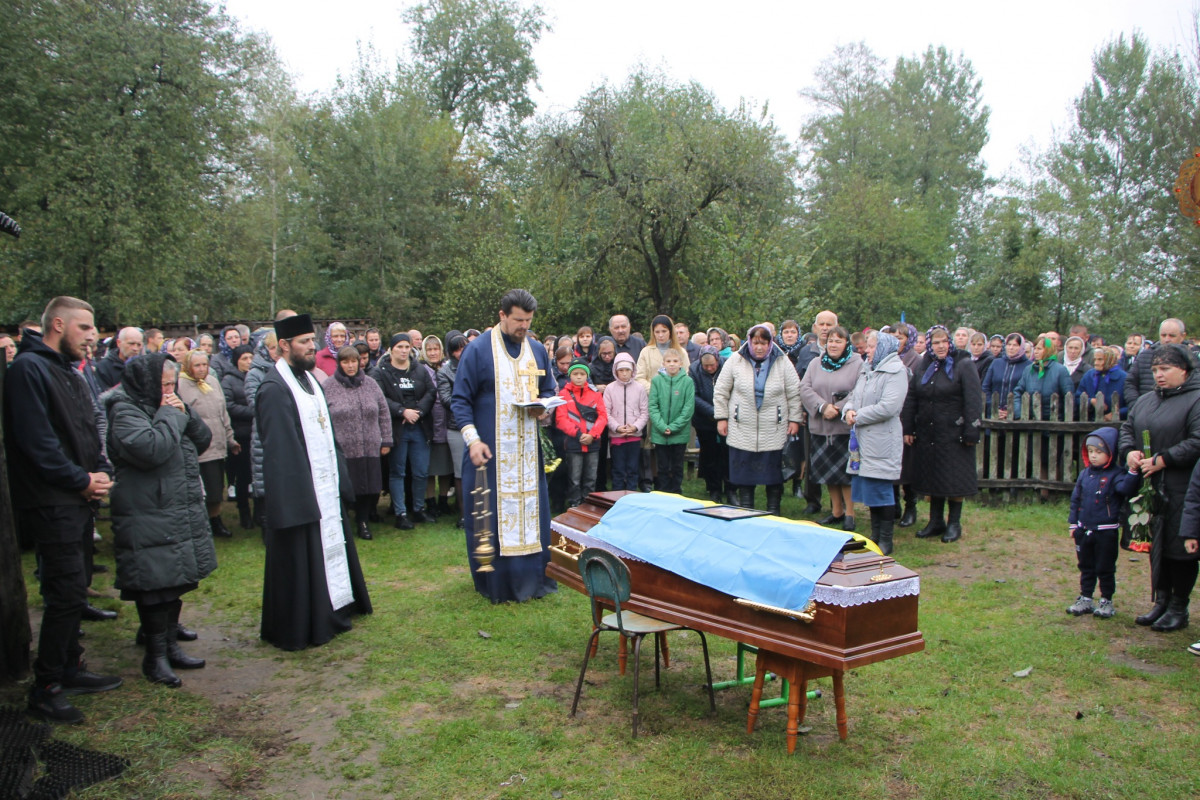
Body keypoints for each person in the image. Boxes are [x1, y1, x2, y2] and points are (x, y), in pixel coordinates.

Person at [4, 297, 122, 723]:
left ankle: (71, 666)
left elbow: (88, 429)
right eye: (85, 328)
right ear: (58, 324)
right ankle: (47, 685)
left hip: (78, 497)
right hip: (52, 501)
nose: (93, 337)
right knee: (66, 591)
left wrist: (101, 471)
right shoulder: (28, 370)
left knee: (75, 588)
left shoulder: (66, 371)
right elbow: (38, 443)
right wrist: (80, 480)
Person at [255, 313, 373, 650]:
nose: (312, 347)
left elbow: (326, 434)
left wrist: (340, 480)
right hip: (301, 495)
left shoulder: (309, 380)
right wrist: (301, 500)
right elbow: (280, 453)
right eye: (304, 342)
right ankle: (305, 620)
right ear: (283, 346)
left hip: (323, 486)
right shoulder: (274, 388)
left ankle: (336, 605)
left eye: (312, 340)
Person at [104, 354, 214, 687]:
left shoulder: (169, 406)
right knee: (154, 585)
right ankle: (155, 658)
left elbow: (203, 439)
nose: (169, 391)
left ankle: (169, 646)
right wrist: (171, 413)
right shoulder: (124, 411)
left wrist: (185, 411)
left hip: (174, 507)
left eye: (172, 385)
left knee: (176, 579)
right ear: (146, 383)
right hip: (147, 512)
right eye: (163, 385)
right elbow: (153, 449)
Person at [450, 289, 559, 604]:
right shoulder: (478, 350)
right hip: (490, 451)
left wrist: (543, 408)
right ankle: (495, 585)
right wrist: (473, 440)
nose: (523, 326)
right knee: (492, 518)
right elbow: (460, 399)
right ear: (501, 316)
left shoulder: (537, 350)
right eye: (517, 320)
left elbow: (548, 388)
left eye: (528, 320)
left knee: (530, 514)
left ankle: (534, 580)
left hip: (526, 453)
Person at [1118, 344, 1200, 633]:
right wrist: (1129, 450)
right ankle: (1160, 602)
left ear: (1185, 371)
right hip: (1152, 486)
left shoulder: (1196, 399)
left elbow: (1197, 440)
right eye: (1154, 370)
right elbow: (1128, 427)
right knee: (1158, 548)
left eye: (1165, 369)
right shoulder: (1147, 400)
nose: (1159, 375)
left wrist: (1164, 459)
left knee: (1180, 549)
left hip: (1183, 485)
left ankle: (1179, 607)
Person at [901, 325, 983, 543]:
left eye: (944, 341)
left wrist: (971, 431)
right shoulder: (925, 364)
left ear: (951, 342)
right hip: (928, 432)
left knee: (954, 479)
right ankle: (935, 521)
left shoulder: (963, 364)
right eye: (936, 342)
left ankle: (954, 523)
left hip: (954, 432)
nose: (940, 346)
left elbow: (973, 399)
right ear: (930, 344)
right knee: (933, 476)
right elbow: (912, 397)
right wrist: (908, 427)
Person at [713, 323, 802, 515]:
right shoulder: (735, 360)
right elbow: (721, 391)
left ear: (770, 343)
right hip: (742, 427)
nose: (759, 347)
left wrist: (794, 419)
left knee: (774, 475)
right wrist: (722, 417)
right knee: (745, 475)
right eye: (755, 343)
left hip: (774, 427)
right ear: (749, 342)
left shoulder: (782, 361)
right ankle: (747, 511)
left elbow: (794, 392)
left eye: (763, 343)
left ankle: (773, 512)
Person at [842, 332, 908, 555]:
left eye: (871, 346)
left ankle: (887, 538)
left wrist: (858, 415)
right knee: (870, 489)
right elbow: (854, 395)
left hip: (882, 439)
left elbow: (889, 406)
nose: (866, 350)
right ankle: (875, 535)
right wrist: (848, 410)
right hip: (863, 440)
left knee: (881, 488)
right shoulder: (867, 369)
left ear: (882, 348)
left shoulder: (896, 372)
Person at [1066, 428, 1140, 618]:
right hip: (1084, 530)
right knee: (1086, 566)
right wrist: (1074, 524)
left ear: (1110, 453)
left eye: (1099, 452)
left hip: (1106, 531)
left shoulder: (1117, 474)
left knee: (1105, 568)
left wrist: (1133, 472)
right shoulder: (1084, 475)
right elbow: (1076, 500)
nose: (1093, 456)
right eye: (1090, 451)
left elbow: (1126, 490)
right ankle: (1085, 598)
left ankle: (1106, 600)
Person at [321, 345, 392, 540]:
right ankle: (341, 523)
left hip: (369, 445)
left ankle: (363, 522)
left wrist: (386, 439)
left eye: (354, 361)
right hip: (343, 449)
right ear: (339, 363)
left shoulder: (370, 384)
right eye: (346, 362)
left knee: (367, 487)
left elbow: (384, 412)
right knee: (345, 487)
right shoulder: (328, 386)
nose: (350, 366)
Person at [799, 326, 861, 530]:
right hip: (820, 426)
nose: (834, 345)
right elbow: (805, 388)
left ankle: (850, 514)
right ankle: (836, 511)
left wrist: (839, 408)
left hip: (844, 427)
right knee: (828, 474)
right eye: (831, 341)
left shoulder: (857, 363)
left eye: (839, 341)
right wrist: (822, 406)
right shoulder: (816, 363)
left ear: (846, 344)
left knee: (846, 475)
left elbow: (859, 390)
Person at [372, 333, 436, 529]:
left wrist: (420, 411)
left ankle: (418, 509)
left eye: (407, 347)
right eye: (399, 347)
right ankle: (400, 513)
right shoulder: (381, 371)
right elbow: (380, 397)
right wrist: (402, 411)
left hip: (419, 426)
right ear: (391, 349)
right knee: (397, 471)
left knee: (420, 472)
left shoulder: (419, 369)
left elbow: (431, 391)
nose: (403, 350)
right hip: (397, 428)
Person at [176, 349, 238, 538]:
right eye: (197, 365)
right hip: (198, 447)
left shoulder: (212, 381)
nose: (202, 369)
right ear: (188, 366)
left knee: (216, 487)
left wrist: (230, 438)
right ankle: (199, 524)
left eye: (205, 364)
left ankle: (215, 519)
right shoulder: (181, 385)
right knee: (201, 488)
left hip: (217, 443)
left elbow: (222, 412)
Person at [555, 361, 608, 507]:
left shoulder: (595, 394)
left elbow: (602, 416)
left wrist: (593, 435)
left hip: (593, 442)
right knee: (574, 478)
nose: (579, 377)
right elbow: (561, 419)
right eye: (575, 374)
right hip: (573, 443)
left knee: (591, 478)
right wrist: (579, 435)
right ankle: (575, 505)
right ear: (569, 375)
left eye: (582, 374)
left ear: (587, 375)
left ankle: (588, 506)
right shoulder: (563, 394)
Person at [648, 349, 695, 494]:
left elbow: (688, 408)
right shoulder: (656, 381)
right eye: (668, 361)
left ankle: (676, 491)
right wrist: (662, 426)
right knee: (662, 466)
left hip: (679, 433)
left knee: (677, 465)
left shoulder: (687, 381)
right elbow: (653, 405)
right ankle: (662, 492)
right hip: (660, 433)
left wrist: (674, 427)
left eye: (675, 361)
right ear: (663, 364)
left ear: (681, 363)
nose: (672, 364)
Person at [690, 345, 731, 503]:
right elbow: (693, 395)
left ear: (718, 360)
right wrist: (713, 412)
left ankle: (729, 486)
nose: (709, 368)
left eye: (712, 365)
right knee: (709, 455)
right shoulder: (694, 370)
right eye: (706, 366)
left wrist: (722, 413)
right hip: (704, 420)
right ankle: (713, 488)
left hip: (727, 419)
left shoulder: (728, 366)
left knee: (726, 454)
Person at [604, 352, 648, 492]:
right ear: (616, 371)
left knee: (633, 468)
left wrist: (635, 427)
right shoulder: (610, 388)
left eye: (627, 370)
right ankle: (616, 497)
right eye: (621, 370)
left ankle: (631, 494)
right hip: (617, 436)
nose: (624, 373)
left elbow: (644, 412)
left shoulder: (640, 388)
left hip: (634, 436)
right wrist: (616, 427)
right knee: (618, 469)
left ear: (632, 370)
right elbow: (606, 411)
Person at [421, 335, 454, 519]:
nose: (433, 353)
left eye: (436, 349)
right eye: (430, 349)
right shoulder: (421, 370)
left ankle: (443, 500)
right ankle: (430, 502)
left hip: (446, 423)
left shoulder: (447, 368)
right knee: (429, 469)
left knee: (444, 467)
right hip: (429, 424)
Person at [1125, 318, 1193, 408]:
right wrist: (1136, 405)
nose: (1167, 339)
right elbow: (1130, 383)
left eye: (1172, 336)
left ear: (1182, 336)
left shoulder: (1191, 358)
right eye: (1163, 335)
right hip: (1145, 409)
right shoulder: (1145, 356)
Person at [437, 332, 469, 526]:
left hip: (479, 425)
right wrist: (468, 403)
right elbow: (446, 399)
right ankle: (463, 513)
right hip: (456, 427)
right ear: (450, 351)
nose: (461, 352)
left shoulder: (475, 366)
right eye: (457, 348)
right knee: (460, 472)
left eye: (464, 347)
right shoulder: (444, 372)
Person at [983, 333, 1030, 419]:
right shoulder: (996, 363)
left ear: (1021, 347)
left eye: (1015, 345)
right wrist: (994, 408)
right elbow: (986, 387)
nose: (1011, 348)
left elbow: (1027, 391)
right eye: (1009, 344)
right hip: (994, 415)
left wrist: (1013, 411)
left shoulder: (1028, 366)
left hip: (1017, 418)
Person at [1076, 346, 1128, 422]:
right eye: (1095, 359)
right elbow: (1078, 397)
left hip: (1116, 424)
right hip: (1090, 422)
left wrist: (1116, 413)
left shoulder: (1124, 378)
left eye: (1100, 359)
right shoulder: (1089, 375)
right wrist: (1091, 401)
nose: (1096, 363)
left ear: (1110, 360)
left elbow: (1132, 405)